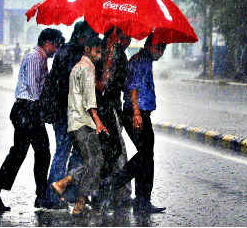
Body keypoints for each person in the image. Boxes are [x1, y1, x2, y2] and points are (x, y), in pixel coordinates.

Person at [0, 28, 64, 212]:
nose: (56, 49)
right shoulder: (36, 57)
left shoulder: (39, 57)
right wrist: (45, 108)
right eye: (56, 45)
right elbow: (35, 90)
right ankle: (40, 196)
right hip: (28, 110)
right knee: (41, 153)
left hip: (26, 111)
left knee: (21, 154)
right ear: (47, 43)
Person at [100, 33, 167, 214]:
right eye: (158, 47)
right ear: (149, 45)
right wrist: (136, 112)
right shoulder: (139, 61)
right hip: (135, 114)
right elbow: (133, 87)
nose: (160, 52)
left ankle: (142, 199)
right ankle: (113, 183)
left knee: (147, 156)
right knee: (145, 154)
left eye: (163, 48)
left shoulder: (145, 60)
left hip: (141, 113)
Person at [39, 21, 98, 209]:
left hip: (64, 111)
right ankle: (53, 196)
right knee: (65, 152)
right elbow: (70, 87)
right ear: (82, 37)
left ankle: (65, 192)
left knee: (73, 152)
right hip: (66, 113)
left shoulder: (65, 51)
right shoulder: (73, 55)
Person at [51, 35, 109, 215]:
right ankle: (78, 201)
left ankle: (66, 184)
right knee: (96, 160)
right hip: (84, 121)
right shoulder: (88, 68)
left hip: (74, 121)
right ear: (87, 50)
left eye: (100, 52)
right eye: (97, 52)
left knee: (91, 160)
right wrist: (98, 122)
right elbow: (89, 99)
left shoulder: (76, 67)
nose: (98, 55)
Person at [95, 27, 132, 208]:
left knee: (111, 151)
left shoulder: (118, 56)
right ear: (114, 36)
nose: (128, 42)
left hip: (110, 108)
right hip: (101, 109)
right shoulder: (99, 51)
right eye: (125, 38)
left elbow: (120, 83)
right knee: (111, 150)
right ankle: (104, 191)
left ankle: (112, 192)